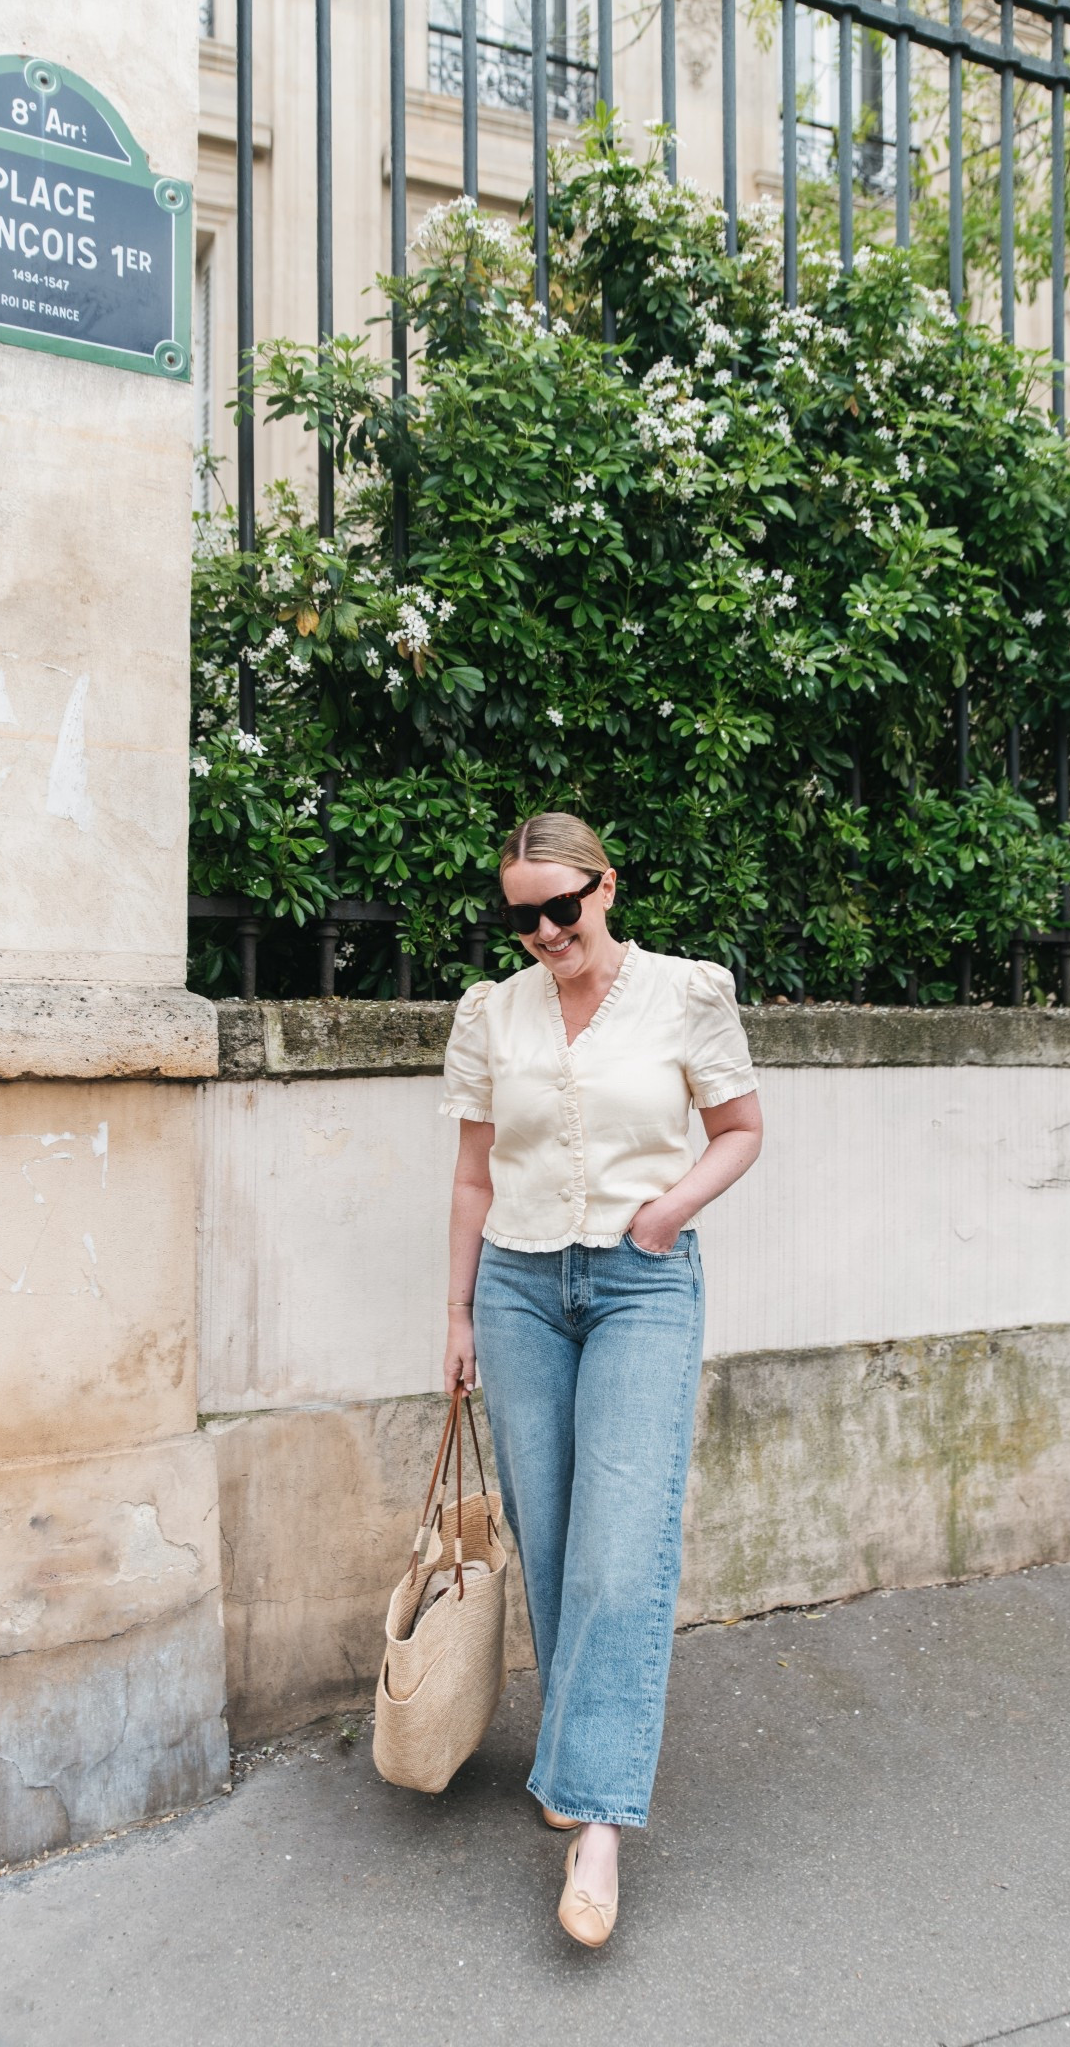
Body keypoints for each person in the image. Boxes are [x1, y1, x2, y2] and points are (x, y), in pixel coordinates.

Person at [438, 811, 763, 1948]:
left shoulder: (686, 992)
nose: (543, 930)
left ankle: (599, 1828)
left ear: (605, 888)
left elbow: (739, 1129)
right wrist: (455, 1313)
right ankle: (573, 1762)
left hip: (640, 1285)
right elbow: (473, 1176)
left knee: (622, 1550)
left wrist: (667, 1212)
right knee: (552, 1536)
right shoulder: (491, 1012)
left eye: (560, 907)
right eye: (521, 915)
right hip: (517, 1290)